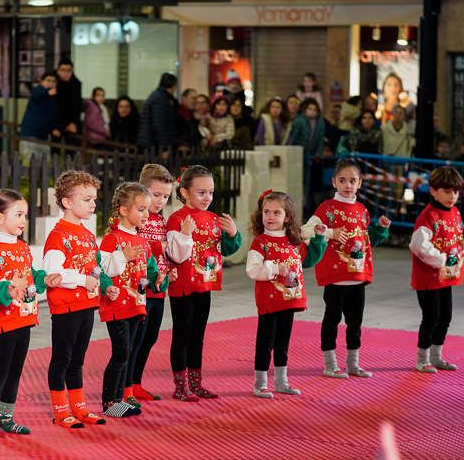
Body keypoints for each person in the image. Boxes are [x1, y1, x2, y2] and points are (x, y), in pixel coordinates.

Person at [0, 190, 61, 437]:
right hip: (3, 322)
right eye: (18, 214)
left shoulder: (23, 248)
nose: (24, 220)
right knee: (0, 372)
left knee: (15, 371)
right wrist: (9, 288)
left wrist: (44, 278)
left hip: (24, 319)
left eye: (25, 214)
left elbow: (30, 274)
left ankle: (6, 416)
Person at [301, 160, 391, 379]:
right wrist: (330, 232)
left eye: (352, 181)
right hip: (335, 277)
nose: (347, 185)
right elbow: (306, 231)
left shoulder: (362, 210)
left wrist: (381, 229)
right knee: (331, 321)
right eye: (342, 180)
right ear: (334, 182)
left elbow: (368, 240)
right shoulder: (326, 208)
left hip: (357, 277)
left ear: (360, 183)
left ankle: (353, 364)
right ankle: (330, 364)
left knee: (355, 323)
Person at [42, 170, 117, 428]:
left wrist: (105, 285)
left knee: (78, 359)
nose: (93, 204)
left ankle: (80, 407)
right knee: (62, 358)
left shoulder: (86, 234)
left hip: (87, 305)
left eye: (94, 199)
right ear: (67, 202)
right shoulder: (58, 236)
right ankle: (61, 410)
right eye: (86, 199)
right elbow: (54, 274)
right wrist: (82, 280)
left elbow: (94, 266)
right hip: (66, 307)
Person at [409, 166, 464, 373]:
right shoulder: (428, 216)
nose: (452, 196)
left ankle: (437, 356)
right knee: (431, 316)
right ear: (433, 191)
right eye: (447, 191)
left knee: (445, 316)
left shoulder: (455, 213)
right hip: (428, 278)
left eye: (456, 192)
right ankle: (422, 359)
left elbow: (462, 236)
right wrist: (441, 259)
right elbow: (417, 244)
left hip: (446, 277)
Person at [165, 165, 242, 400]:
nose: (207, 197)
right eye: (201, 192)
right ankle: (181, 386)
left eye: (210, 192)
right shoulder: (176, 219)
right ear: (185, 192)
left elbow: (225, 250)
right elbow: (175, 255)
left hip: (205, 285)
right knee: (182, 335)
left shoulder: (212, 219)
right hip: (183, 287)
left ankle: (196, 383)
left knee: (198, 335)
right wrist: (185, 234)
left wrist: (233, 234)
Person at [246, 190, 327, 397]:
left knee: (283, 343)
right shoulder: (260, 242)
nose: (270, 217)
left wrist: (318, 239)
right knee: (265, 343)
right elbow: (252, 270)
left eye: (276, 213)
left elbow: (308, 261)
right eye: (266, 212)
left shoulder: (294, 241)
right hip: (268, 302)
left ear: (287, 217)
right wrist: (275, 268)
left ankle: (282, 381)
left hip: (288, 301)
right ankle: (260, 383)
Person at [99, 182, 167, 417]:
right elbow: (102, 268)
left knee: (128, 353)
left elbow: (148, 273)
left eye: (147, 209)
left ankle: (119, 398)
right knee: (121, 352)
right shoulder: (112, 239)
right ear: (123, 210)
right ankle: (109, 402)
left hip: (136, 305)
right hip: (117, 305)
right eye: (141, 209)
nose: (146, 215)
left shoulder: (142, 241)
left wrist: (158, 278)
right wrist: (122, 256)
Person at [131, 164, 178, 402]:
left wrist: (170, 270)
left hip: (159, 290)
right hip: (138, 290)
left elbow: (164, 256)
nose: (160, 201)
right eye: (155, 195)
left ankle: (136, 383)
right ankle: (124, 387)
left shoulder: (161, 221)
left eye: (165, 196)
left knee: (150, 338)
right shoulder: (135, 219)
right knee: (133, 340)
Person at [289, 99, 327, 215]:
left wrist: (318, 154)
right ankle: (300, 207)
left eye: (315, 109)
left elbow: (321, 140)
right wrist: (294, 153)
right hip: (300, 156)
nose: (312, 111)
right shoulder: (299, 120)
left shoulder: (320, 122)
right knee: (301, 182)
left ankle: (310, 209)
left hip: (314, 158)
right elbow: (294, 138)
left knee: (311, 184)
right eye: (310, 109)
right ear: (305, 110)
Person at [19, 71, 59, 161]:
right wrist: (47, 93)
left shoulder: (52, 98)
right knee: (29, 163)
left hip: (43, 136)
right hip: (31, 134)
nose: (51, 83)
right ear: (42, 81)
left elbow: (51, 115)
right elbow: (37, 95)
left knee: (43, 165)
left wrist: (53, 128)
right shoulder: (39, 90)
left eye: (53, 81)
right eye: (48, 80)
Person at [136, 72, 179, 154]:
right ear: (173, 85)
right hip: (152, 144)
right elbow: (159, 124)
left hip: (149, 141)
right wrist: (165, 147)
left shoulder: (158, 96)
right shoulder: (161, 99)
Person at [54, 58, 83, 143]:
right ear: (58, 70)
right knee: (55, 150)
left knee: (72, 149)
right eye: (63, 70)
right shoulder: (54, 82)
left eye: (68, 70)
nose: (65, 73)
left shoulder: (76, 84)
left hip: (71, 122)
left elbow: (77, 105)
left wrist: (73, 122)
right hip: (55, 122)